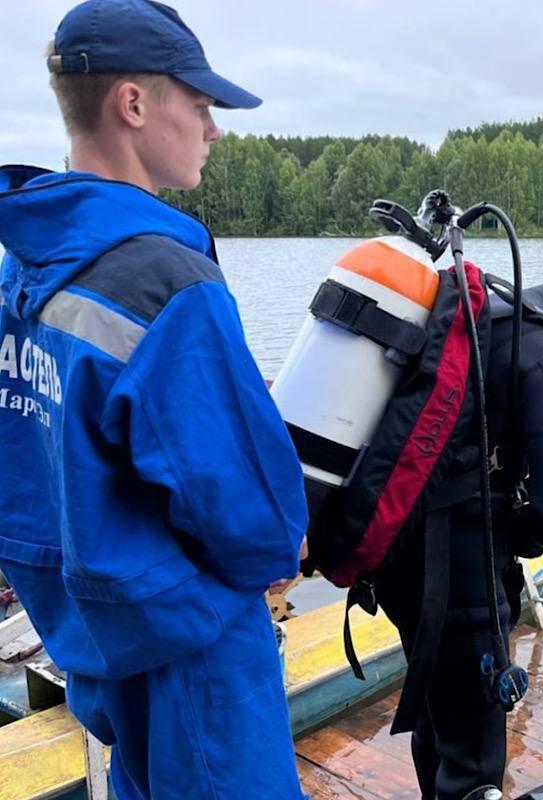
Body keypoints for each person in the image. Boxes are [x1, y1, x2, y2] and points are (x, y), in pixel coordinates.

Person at [0, 2, 308, 798]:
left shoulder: (23, 268)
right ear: (133, 104)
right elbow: (255, 523)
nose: (214, 129)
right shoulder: (165, 282)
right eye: (200, 105)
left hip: (96, 639)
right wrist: (291, 540)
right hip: (195, 655)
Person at [373, 268, 543, 800]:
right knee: (473, 757)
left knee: (439, 717)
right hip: (463, 578)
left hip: (397, 555)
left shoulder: (480, 321)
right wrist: (515, 538)